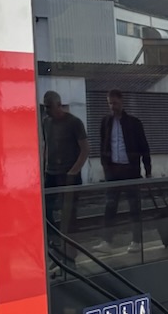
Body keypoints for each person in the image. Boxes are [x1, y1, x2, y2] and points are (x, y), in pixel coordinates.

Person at [97, 89, 151, 252]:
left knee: (134, 207)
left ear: (122, 102)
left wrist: (148, 170)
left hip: (130, 170)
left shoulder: (134, 123)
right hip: (113, 170)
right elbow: (103, 145)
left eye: (115, 103)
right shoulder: (105, 122)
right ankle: (107, 241)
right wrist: (106, 166)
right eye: (110, 103)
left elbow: (144, 147)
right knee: (110, 206)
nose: (112, 106)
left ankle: (137, 241)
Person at [41, 91, 88, 240]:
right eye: (45, 107)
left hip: (68, 173)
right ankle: (54, 237)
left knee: (69, 212)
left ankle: (69, 243)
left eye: (49, 107)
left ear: (59, 105)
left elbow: (85, 149)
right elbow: (46, 145)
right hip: (51, 172)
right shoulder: (46, 122)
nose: (47, 110)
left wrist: (73, 171)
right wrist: (43, 166)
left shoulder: (74, 122)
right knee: (45, 207)